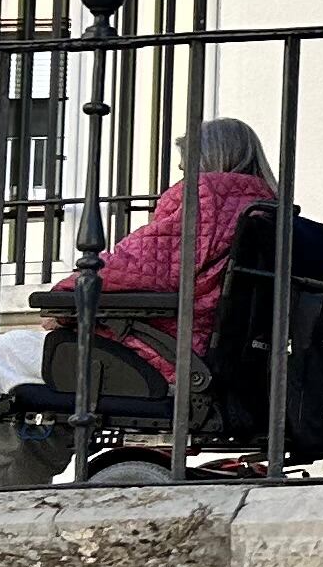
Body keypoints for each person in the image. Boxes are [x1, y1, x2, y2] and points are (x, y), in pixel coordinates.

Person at [84, 115, 281, 381]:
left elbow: (137, 266)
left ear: (208, 158)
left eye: (187, 161)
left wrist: (67, 297)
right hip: (233, 359)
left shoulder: (203, 197)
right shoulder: (268, 208)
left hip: (165, 349)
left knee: (13, 350)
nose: (181, 168)